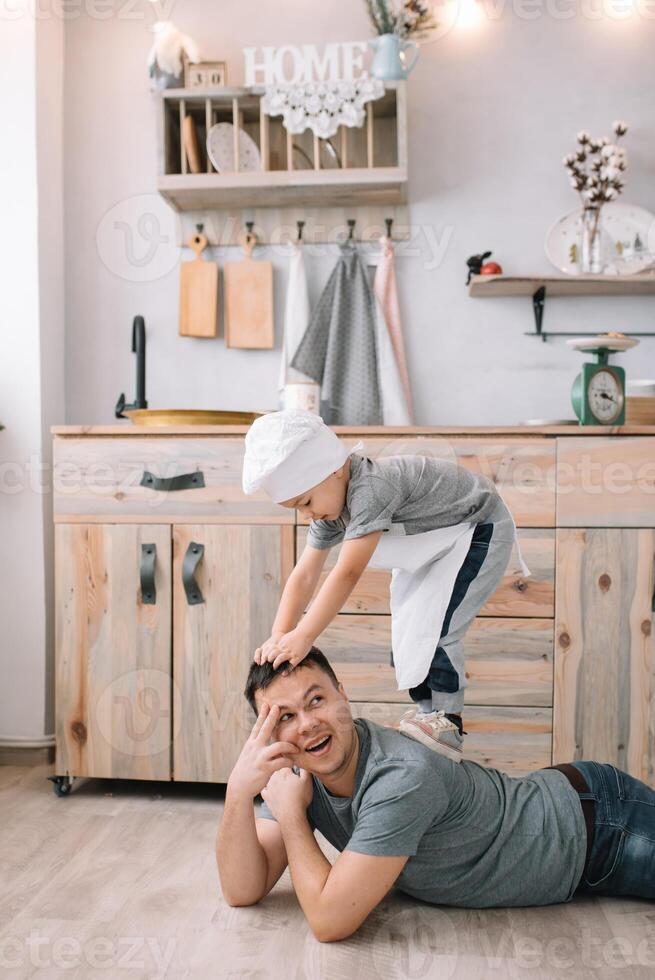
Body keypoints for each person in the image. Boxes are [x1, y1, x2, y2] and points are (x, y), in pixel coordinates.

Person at [215, 649, 655, 944]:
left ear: (342, 695)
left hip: (598, 828)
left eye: (316, 700)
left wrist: (292, 818)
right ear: (268, 732)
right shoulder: (296, 769)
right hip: (556, 814)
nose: (307, 724)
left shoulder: (400, 775)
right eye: (285, 716)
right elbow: (242, 889)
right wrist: (238, 793)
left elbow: (330, 921)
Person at [241, 409, 530, 760]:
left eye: (305, 502)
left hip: (478, 528)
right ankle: (428, 717)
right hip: (434, 546)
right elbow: (304, 574)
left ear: (332, 469)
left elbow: (346, 572)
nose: (308, 514)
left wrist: (303, 636)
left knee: (438, 635)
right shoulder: (330, 506)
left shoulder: (371, 489)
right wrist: (279, 636)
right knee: (411, 639)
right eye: (297, 508)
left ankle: (446, 724)